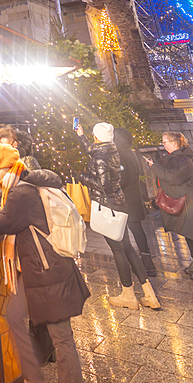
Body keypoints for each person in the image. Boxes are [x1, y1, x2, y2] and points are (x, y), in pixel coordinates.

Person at [0, 143, 90, 383]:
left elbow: (5, 223)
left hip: (49, 274)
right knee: (15, 316)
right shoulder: (27, 184)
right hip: (42, 273)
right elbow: (16, 218)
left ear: (8, 168)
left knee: (63, 341)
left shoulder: (19, 192)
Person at [75, 122, 160, 310]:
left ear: (97, 137)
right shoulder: (113, 150)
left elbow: (103, 184)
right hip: (120, 202)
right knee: (127, 247)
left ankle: (128, 295)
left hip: (108, 206)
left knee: (118, 249)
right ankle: (149, 294)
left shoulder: (100, 156)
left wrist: (81, 177)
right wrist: (82, 137)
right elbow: (95, 152)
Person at [145, 132, 193, 276]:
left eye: (165, 142)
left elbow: (173, 177)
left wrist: (154, 167)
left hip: (187, 202)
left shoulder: (184, 159)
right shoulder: (175, 156)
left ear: (173, 143)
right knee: (188, 234)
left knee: (190, 234)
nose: (163, 144)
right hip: (183, 200)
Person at [113, 128, 156, 277]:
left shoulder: (120, 155)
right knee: (138, 231)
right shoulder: (131, 152)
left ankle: (142, 265)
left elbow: (122, 179)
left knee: (128, 232)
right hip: (135, 198)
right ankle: (147, 261)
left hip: (126, 201)